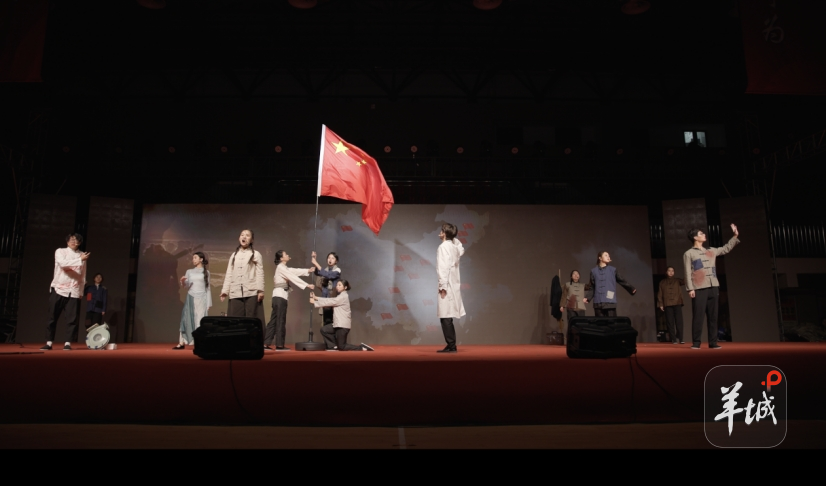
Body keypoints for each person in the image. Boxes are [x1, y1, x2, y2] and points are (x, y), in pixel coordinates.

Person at [683, 224, 739, 349]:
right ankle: (696, 343)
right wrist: (690, 288)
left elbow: (725, 249)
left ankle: (713, 342)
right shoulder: (689, 253)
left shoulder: (711, 250)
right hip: (699, 287)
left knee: (713, 316)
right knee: (698, 316)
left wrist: (735, 236)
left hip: (713, 286)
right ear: (695, 237)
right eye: (701, 234)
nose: (704, 235)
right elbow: (687, 272)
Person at [42, 233, 89, 351]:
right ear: (67, 241)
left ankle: (68, 343)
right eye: (71, 239)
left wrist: (81, 291)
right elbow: (63, 264)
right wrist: (79, 259)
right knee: (52, 317)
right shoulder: (60, 251)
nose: (73, 241)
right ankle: (49, 342)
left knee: (72, 319)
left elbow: (83, 275)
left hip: (74, 291)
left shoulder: (82, 255)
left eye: (76, 240)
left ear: (80, 242)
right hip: (59, 288)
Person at [265, 249, 315, 351]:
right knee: (280, 320)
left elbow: (294, 271)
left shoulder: (284, 268)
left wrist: (307, 271)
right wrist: (307, 285)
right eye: (286, 254)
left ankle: (266, 343)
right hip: (280, 297)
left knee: (274, 320)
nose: (288, 255)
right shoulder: (281, 267)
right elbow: (292, 276)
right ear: (281, 258)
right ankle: (279, 345)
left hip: (278, 296)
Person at [310, 280, 373, 351]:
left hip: (342, 325)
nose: (337, 286)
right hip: (337, 324)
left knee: (342, 346)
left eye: (339, 285)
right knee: (324, 330)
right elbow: (331, 300)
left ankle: (361, 347)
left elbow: (331, 302)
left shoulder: (343, 296)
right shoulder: (340, 296)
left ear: (345, 287)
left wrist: (315, 302)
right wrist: (316, 298)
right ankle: (333, 346)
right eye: (337, 285)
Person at [220, 229, 266, 326]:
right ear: (239, 238)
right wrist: (225, 290)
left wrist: (260, 290)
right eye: (242, 235)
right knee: (235, 321)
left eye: (247, 235)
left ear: (252, 240)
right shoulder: (234, 255)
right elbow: (229, 273)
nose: (244, 237)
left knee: (251, 320)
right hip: (235, 292)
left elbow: (260, 273)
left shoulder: (256, 254)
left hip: (251, 291)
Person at [436, 222, 465, 353]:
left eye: (442, 231)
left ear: (444, 234)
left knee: (445, 316)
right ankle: (451, 344)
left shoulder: (443, 247)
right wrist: (452, 237)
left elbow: (443, 268)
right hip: (452, 284)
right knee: (447, 315)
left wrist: (443, 287)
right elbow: (460, 247)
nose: (440, 232)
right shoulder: (454, 247)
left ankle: (451, 345)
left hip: (447, 285)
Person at [174, 251, 212, 350]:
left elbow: (207, 288)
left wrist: (209, 303)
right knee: (186, 318)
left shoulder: (206, 272)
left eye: (195, 257)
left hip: (202, 298)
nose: (193, 260)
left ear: (201, 259)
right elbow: (186, 286)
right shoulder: (189, 271)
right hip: (191, 297)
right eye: (193, 258)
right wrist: (183, 281)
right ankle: (181, 342)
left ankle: (199, 343)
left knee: (200, 320)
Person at [583, 251, 636, 317]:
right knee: (600, 323)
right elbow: (592, 287)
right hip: (598, 302)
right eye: (606, 255)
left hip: (610, 301)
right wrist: (587, 298)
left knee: (612, 322)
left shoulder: (613, 270)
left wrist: (631, 288)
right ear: (600, 258)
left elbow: (622, 280)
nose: (608, 257)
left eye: (609, 256)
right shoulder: (593, 271)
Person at [311, 251, 341, 330]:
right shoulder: (325, 270)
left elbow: (328, 275)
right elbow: (317, 272)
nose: (330, 259)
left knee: (333, 324)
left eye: (332, 258)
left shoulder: (337, 270)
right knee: (325, 324)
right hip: (325, 300)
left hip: (333, 300)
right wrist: (314, 260)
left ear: (336, 261)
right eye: (329, 258)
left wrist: (316, 263)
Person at [657, 266, 685, 345]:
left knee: (679, 322)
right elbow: (660, 294)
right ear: (666, 272)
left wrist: (687, 272)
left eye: (672, 271)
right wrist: (661, 304)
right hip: (667, 304)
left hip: (677, 303)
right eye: (669, 271)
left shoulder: (677, 281)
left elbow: (685, 281)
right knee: (670, 322)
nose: (671, 272)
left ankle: (681, 338)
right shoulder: (662, 282)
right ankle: (673, 339)